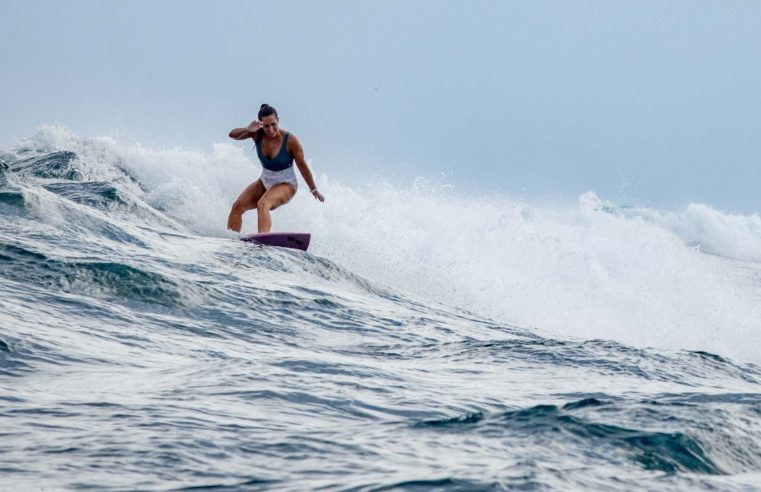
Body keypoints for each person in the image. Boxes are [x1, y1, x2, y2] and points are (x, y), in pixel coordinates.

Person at [227, 104, 324, 233]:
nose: (271, 129)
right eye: (266, 126)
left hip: (286, 184)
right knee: (237, 206)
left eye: (273, 124)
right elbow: (232, 135)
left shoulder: (291, 141)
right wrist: (248, 129)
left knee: (263, 204)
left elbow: (302, 166)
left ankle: (262, 241)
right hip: (265, 180)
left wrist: (314, 189)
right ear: (261, 124)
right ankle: (231, 240)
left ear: (278, 120)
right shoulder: (256, 134)